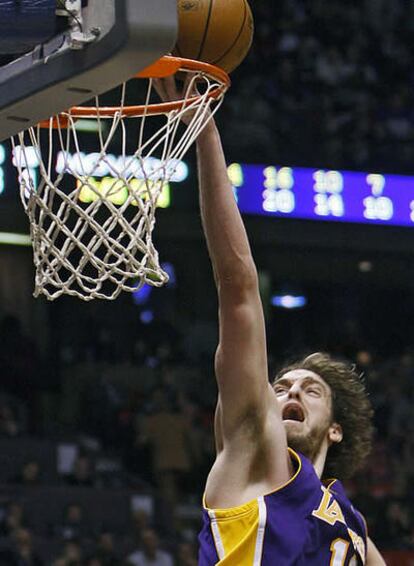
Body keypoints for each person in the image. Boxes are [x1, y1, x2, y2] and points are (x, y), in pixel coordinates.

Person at [155, 77, 386, 564]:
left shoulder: (353, 525)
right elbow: (238, 288)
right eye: (280, 387)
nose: (291, 393)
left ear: (336, 430)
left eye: (310, 389)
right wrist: (205, 132)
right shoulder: (251, 446)